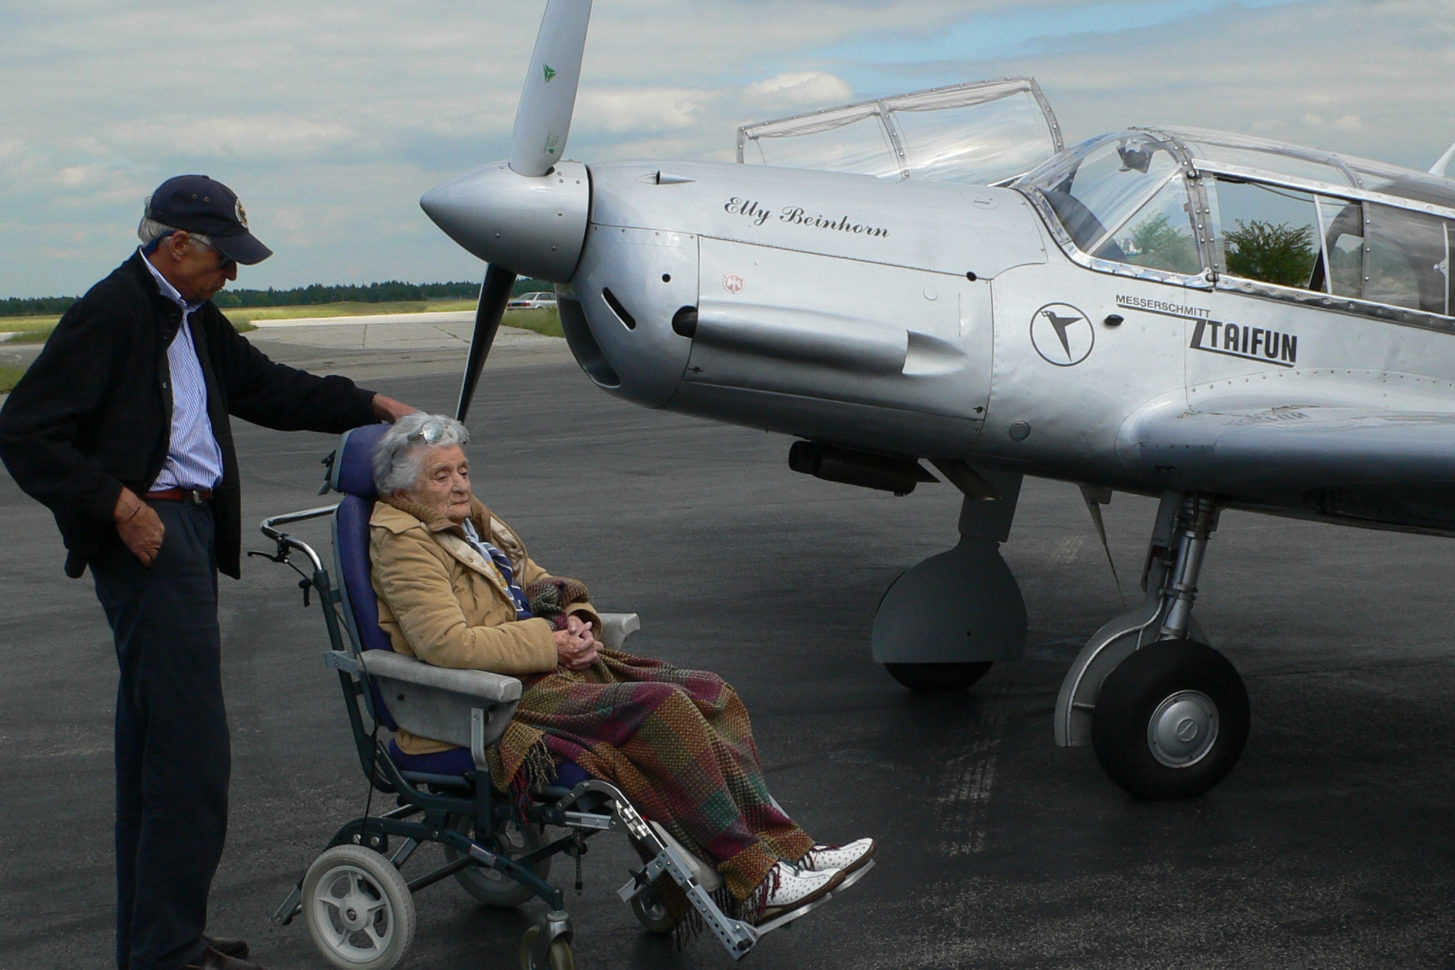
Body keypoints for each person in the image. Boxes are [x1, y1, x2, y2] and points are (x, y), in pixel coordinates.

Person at [0, 174, 415, 970]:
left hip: (183, 525)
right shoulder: (112, 312)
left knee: (159, 750)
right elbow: (24, 432)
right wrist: (118, 506)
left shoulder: (192, 315)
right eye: (224, 260)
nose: (233, 276)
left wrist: (369, 404)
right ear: (174, 244)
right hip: (149, 537)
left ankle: (158, 943)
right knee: (191, 754)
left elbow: (266, 388)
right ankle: (170, 948)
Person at [368, 413, 875, 925]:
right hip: (496, 699)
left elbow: (533, 577)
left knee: (708, 690)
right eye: (442, 475)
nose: (460, 484)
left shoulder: (464, 517)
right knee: (661, 710)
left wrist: (577, 623)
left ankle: (791, 850)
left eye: (463, 470)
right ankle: (757, 879)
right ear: (407, 487)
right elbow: (445, 644)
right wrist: (551, 643)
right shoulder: (404, 543)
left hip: (545, 668)